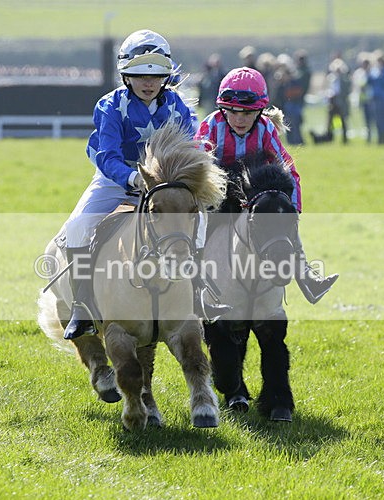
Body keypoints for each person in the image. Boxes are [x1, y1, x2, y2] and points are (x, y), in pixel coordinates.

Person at [62, 29, 228, 340]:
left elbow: (193, 146)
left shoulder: (178, 106)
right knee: (77, 227)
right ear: (126, 75)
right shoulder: (109, 106)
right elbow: (105, 154)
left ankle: (201, 293)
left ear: (166, 76)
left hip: (164, 185)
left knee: (200, 221)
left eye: (156, 76)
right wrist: (133, 178)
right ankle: (82, 307)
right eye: (139, 75)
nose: (148, 83)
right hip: (116, 180)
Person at [194, 67, 339, 305]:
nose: (240, 119)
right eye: (233, 112)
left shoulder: (266, 127)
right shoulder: (210, 126)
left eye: (247, 113)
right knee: (198, 227)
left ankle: (306, 276)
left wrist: (292, 210)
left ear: (260, 111)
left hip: (251, 190)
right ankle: (196, 288)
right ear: (223, 108)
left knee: (282, 216)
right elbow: (199, 167)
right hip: (216, 190)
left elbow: (289, 170)